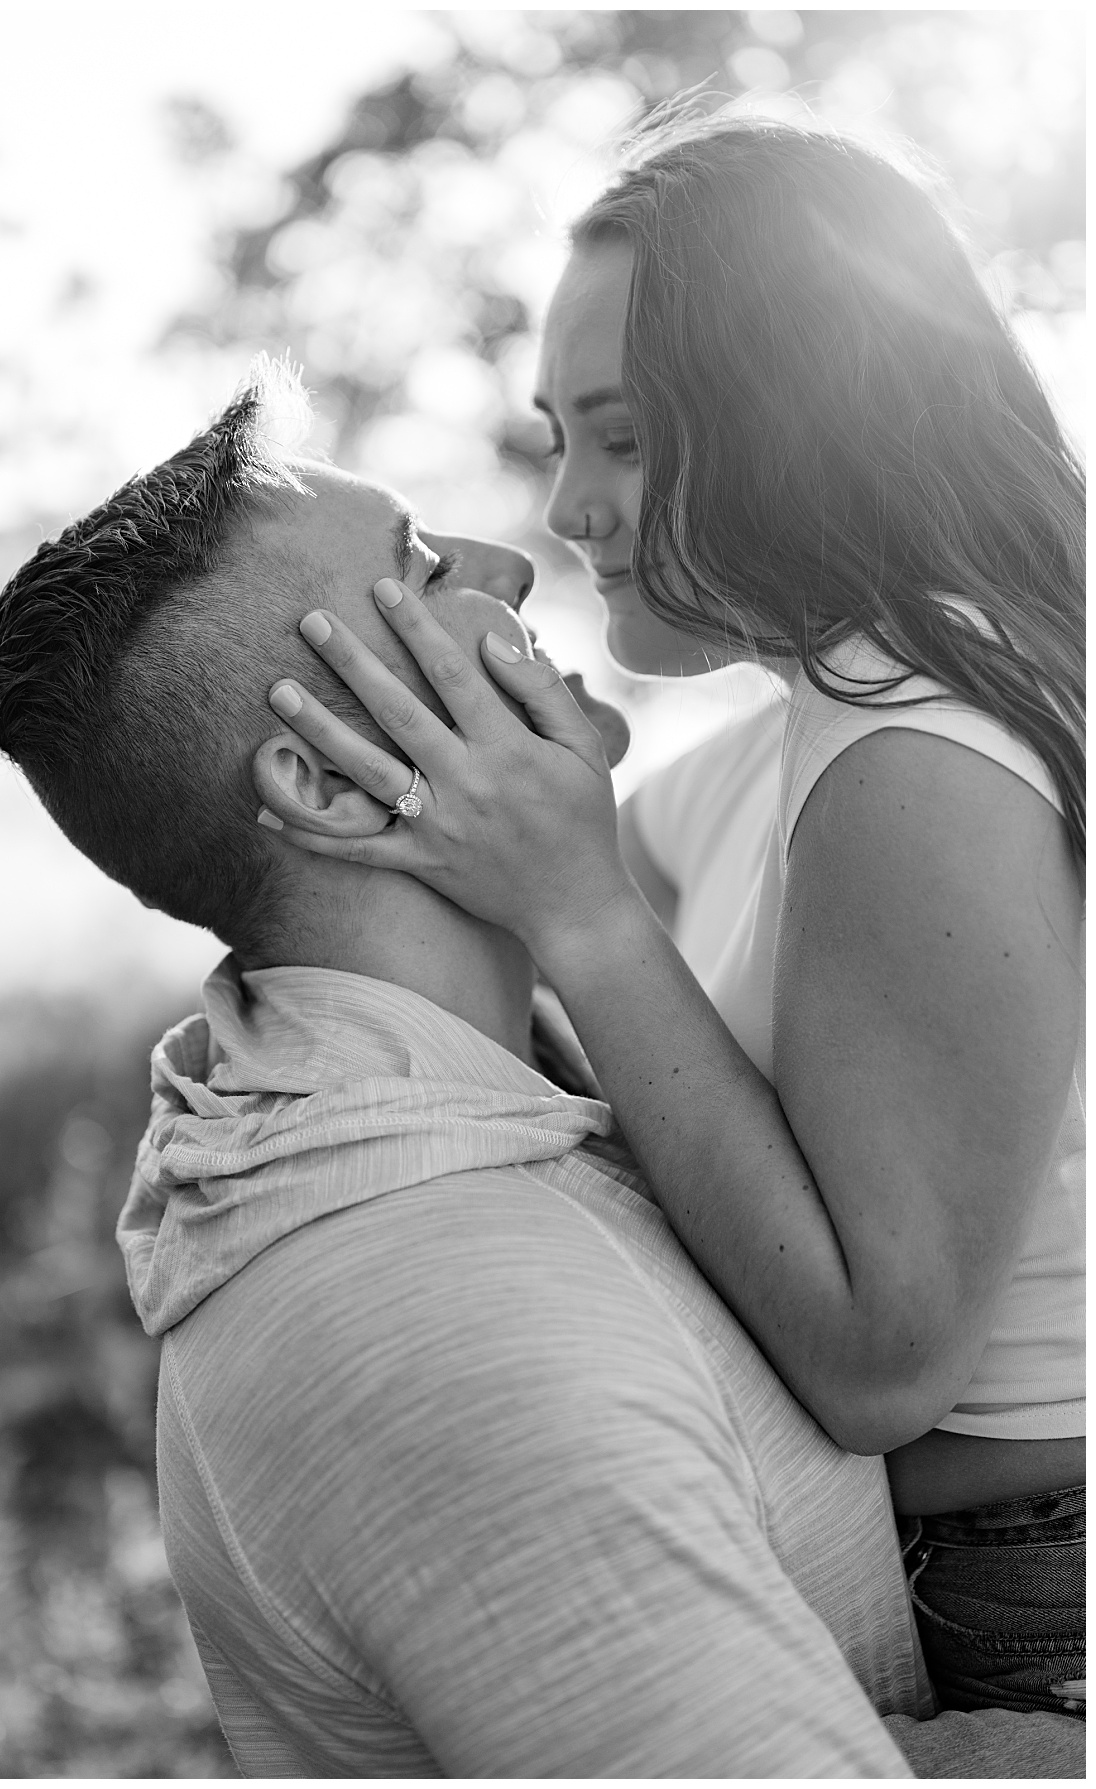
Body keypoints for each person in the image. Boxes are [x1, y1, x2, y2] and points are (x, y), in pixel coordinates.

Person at [0, 363, 1085, 1777]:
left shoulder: (484, 1089)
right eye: (423, 565)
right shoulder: (443, 1325)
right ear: (326, 776)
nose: (516, 561)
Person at [254, 115, 1086, 1721]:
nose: (568, 507)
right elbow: (556, 941)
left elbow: (876, 1362)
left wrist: (578, 912)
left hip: (1029, 1598)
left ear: (813, 415)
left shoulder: (918, 758)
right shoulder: (810, 722)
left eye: (626, 437)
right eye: (558, 433)